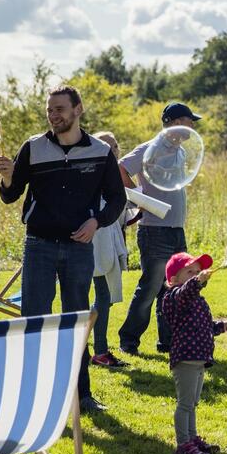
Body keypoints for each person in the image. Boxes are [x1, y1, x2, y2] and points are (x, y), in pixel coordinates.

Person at [0, 85, 126, 414]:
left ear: (78, 109)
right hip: (38, 245)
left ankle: (81, 395)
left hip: (78, 249)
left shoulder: (100, 151)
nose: (54, 115)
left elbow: (117, 199)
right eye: (49, 110)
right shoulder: (33, 148)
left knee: (76, 321)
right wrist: (9, 179)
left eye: (60, 109)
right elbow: (11, 196)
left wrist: (96, 222)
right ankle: (32, 397)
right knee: (34, 320)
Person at [117, 102, 200, 356]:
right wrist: (139, 198)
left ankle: (168, 341)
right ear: (174, 123)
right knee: (151, 286)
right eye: (188, 121)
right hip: (154, 230)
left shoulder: (181, 152)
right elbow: (121, 167)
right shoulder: (149, 148)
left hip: (176, 229)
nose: (192, 126)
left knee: (174, 287)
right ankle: (128, 339)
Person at [161, 252, 227, 454]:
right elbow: (184, 293)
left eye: (197, 271)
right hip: (185, 359)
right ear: (173, 280)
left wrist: (220, 326)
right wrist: (197, 281)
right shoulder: (173, 298)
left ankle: (193, 439)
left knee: (192, 403)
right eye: (190, 272)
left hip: (199, 358)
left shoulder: (197, 301)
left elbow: (204, 326)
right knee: (184, 404)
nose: (196, 274)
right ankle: (183, 444)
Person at [90, 131, 129, 368]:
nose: (113, 151)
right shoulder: (92, 173)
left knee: (104, 297)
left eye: (115, 146)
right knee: (102, 296)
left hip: (108, 238)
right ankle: (100, 351)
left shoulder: (113, 174)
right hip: (94, 242)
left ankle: (98, 348)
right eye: (107, 146)